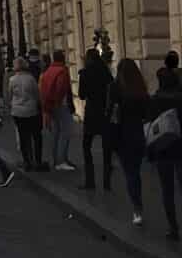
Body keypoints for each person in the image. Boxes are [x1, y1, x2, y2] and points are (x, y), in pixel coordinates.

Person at [108, 57, 150, 227]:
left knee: (130, 174)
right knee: (135, 172)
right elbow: (146, 114)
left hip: (121, 136)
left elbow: (110, 114)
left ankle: (137, 209)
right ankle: (137, 207)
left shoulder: (114, 88)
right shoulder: (140, 89)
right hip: (138, 135)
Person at [148, 53, 182, 239]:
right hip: (180, 146)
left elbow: (151, 126)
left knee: (167, 190)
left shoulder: (156, 99)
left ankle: (173, 228)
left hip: (163, 149)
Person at [78, 48, 114, 191]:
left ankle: (90, 181)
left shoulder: (85, 73)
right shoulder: (106, 71)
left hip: (92, 113)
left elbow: (81, 95)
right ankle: (106, 183)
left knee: (87, 146)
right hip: (105, 113)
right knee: (107, 148)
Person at [39, 49, 75, 172]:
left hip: (50, 106)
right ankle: (62, 161)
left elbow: (43, 90)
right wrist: (58, 102)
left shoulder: (47, 71)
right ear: (63, 58)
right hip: (60, 105)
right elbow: (61, 88)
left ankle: (54, 160)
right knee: (66, 132)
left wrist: (46, 108)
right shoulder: (62, 71)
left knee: (55, 133)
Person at [8, 57, 43, 170]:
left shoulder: (12, 80)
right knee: (36, 135)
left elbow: (10, 94)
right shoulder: (31, 79)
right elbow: (37, 94)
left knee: (23, 137)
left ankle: (27, 161)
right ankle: (37, 160)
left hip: (18, 111)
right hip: (31, 110)